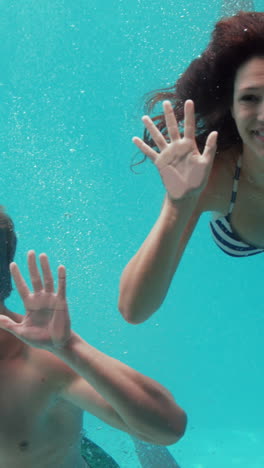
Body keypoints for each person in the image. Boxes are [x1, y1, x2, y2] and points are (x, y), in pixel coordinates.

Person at [0, 209, 187, 468]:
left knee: (142, 440)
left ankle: (128, 430)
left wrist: (69, 347)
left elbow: (169, 428)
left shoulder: (41, 359)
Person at [118, 9, 264, 325]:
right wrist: (178, 204)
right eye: (250, 98)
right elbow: (134, 309)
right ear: (232, 108)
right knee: (237, 24)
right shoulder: (211, 177)